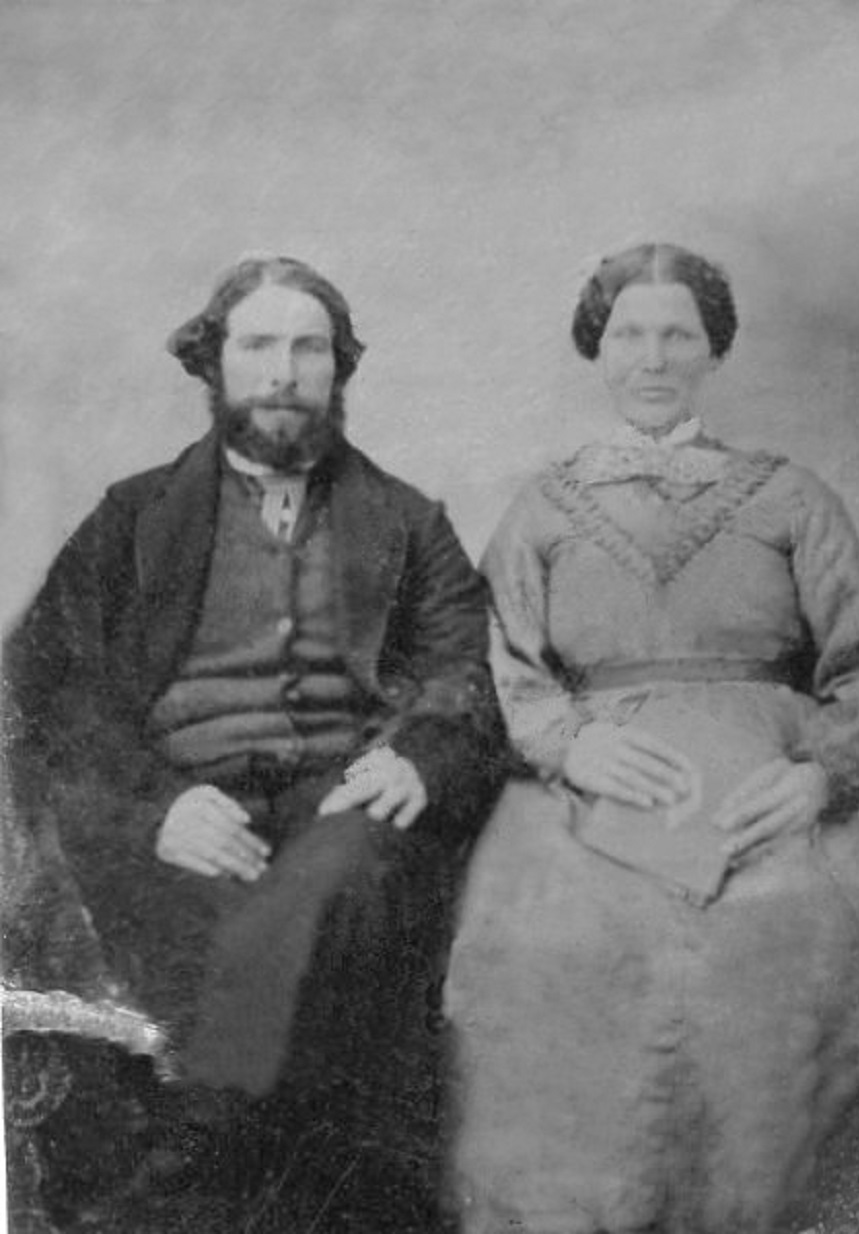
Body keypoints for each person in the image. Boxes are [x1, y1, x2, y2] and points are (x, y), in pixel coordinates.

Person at [444, 242, 859, 1234]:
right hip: (582, 788)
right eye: (630, 333)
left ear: (713, 349)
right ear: (599, 349)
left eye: (678, 334)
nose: (653, 357)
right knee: (545, 936)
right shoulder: (546, 502)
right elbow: (489, 659)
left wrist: (821, 775)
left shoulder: (788, 496)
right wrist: (563, 742)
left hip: (768, 779)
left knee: (780, 929)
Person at [4, 255, 507, 1215]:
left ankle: (210, 1126)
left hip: (338, 795)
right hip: (181, 801)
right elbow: (47, 684)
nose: (284, 371)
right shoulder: (132, 517)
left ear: (339, 369)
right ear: (213, 364)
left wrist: (421, 754)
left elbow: (464, 668)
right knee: (255, 942)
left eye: (309, 348)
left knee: (348, 877)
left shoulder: (407, 521)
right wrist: (159, 804)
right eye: (260, 346)